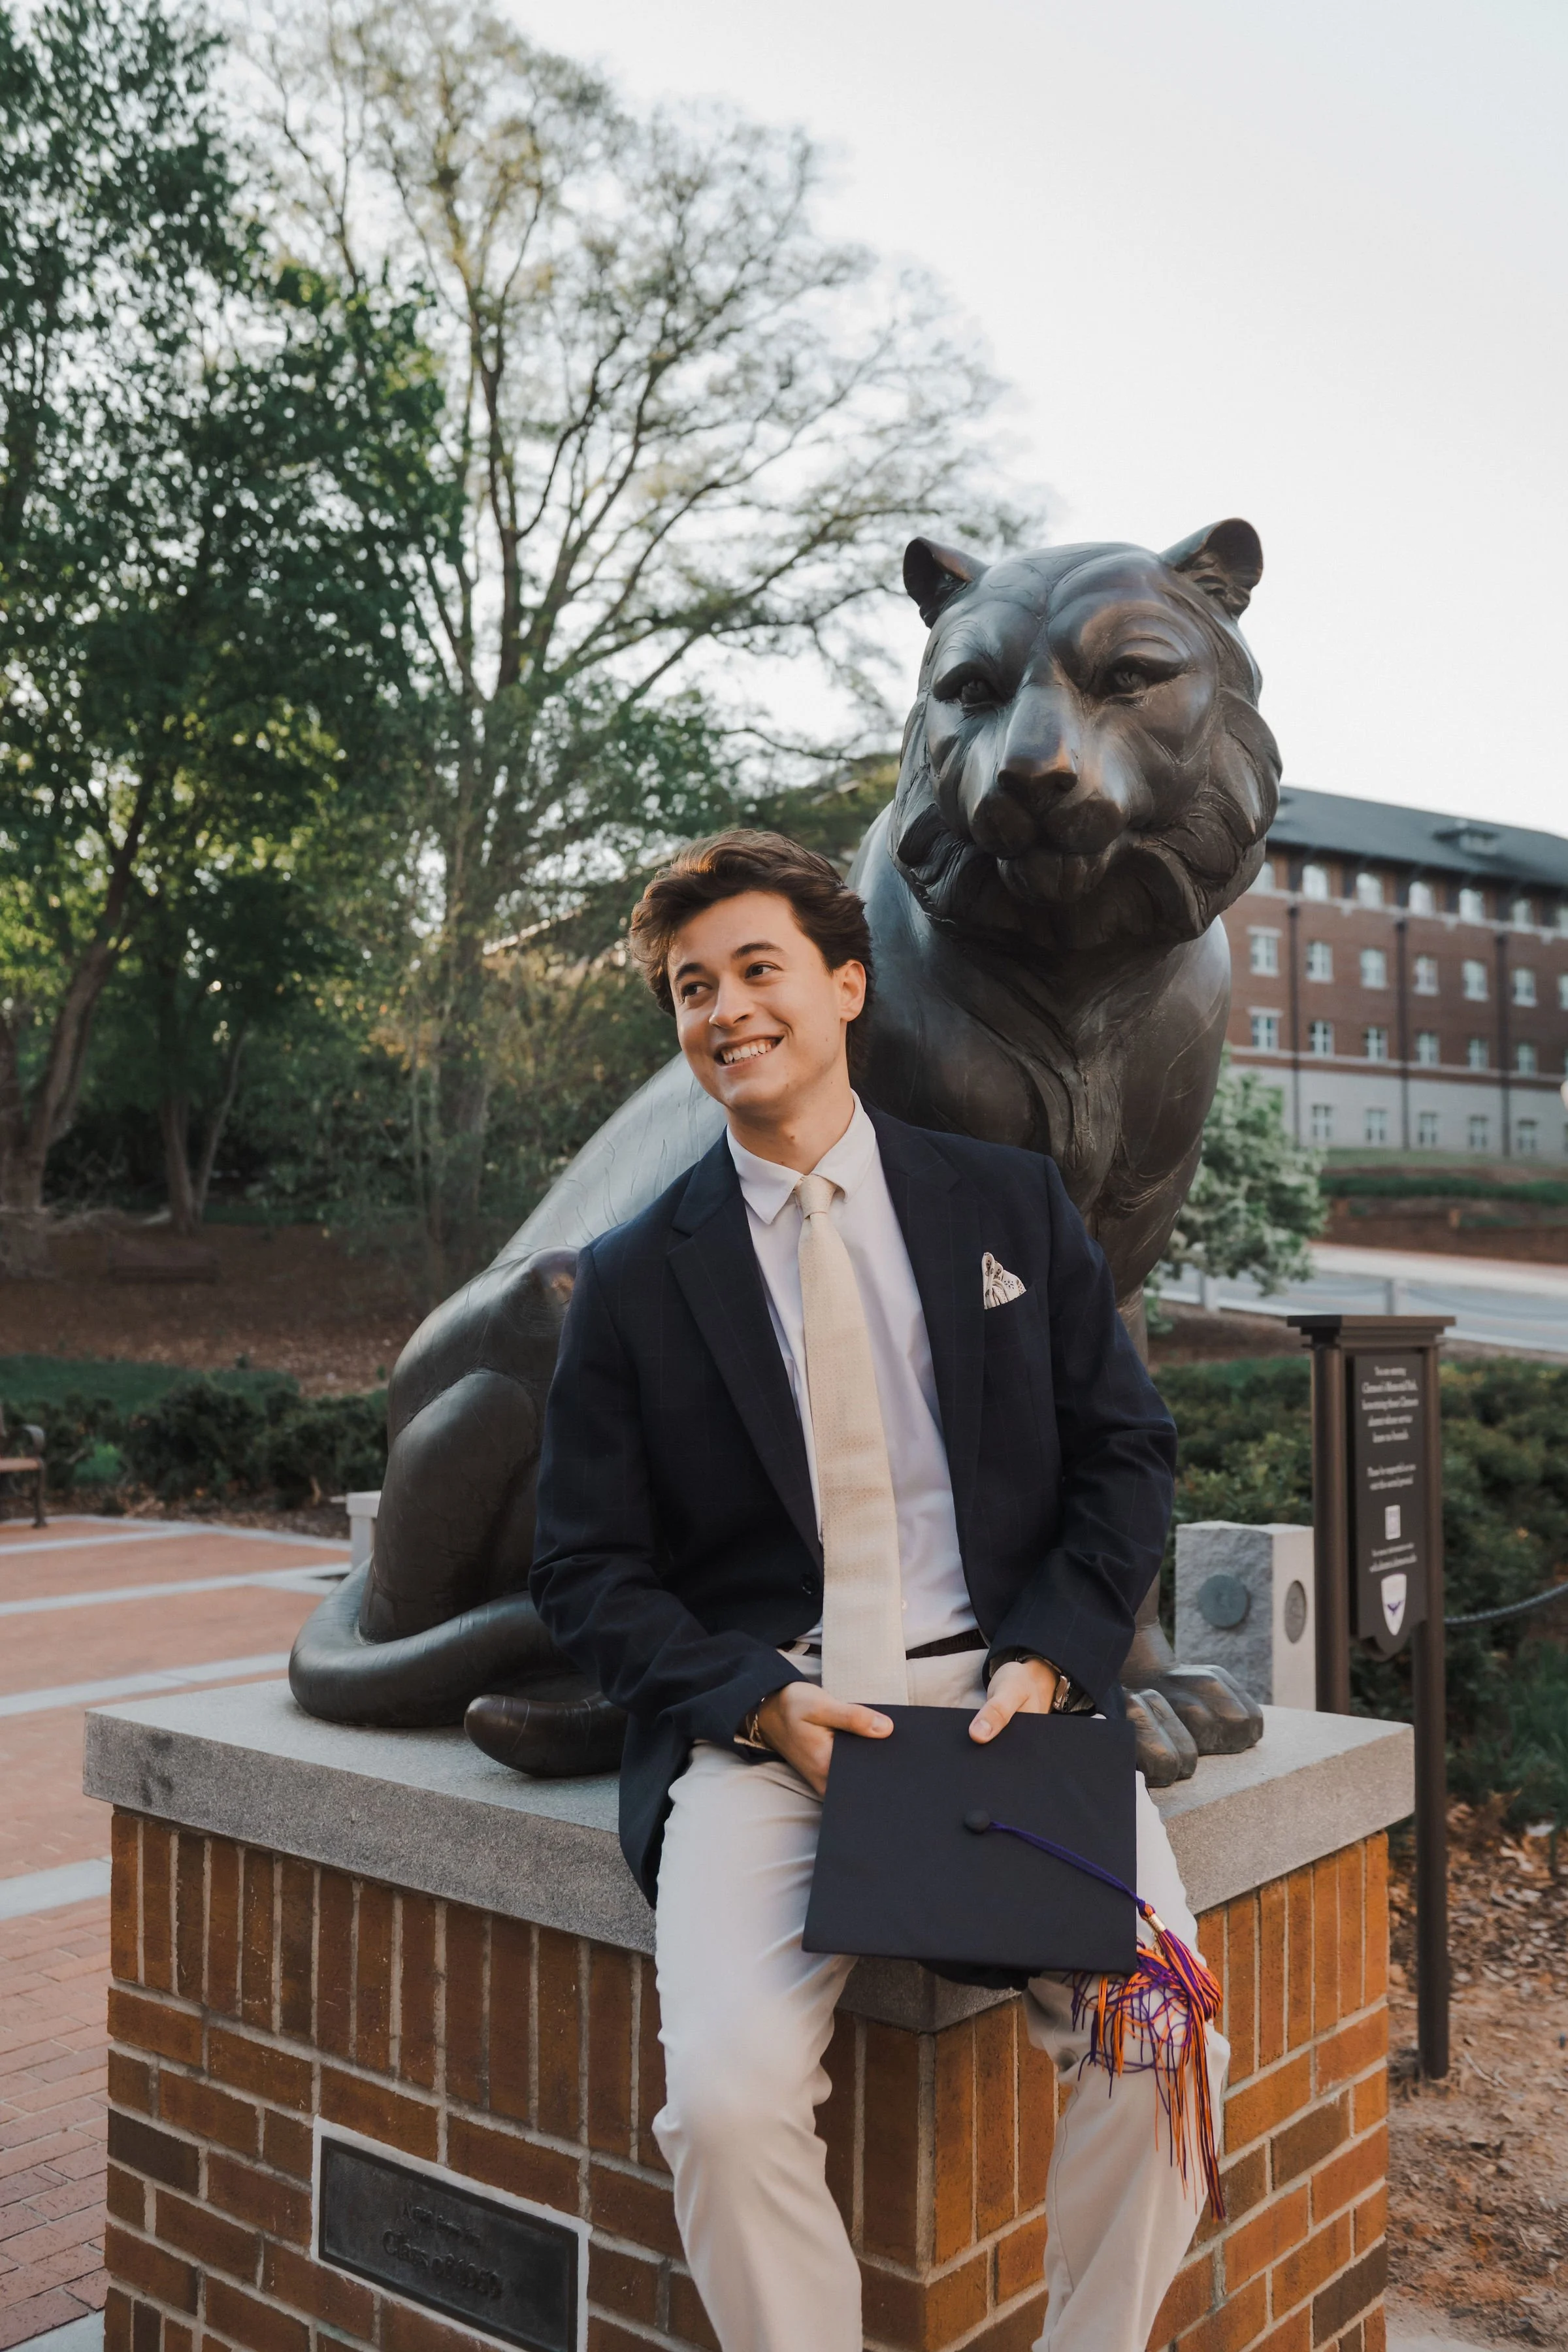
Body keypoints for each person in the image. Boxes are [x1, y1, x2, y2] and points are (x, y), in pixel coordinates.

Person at [530, 829, 1227, 2351]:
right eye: (689, 988)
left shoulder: (1010, 1204)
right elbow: (582, 1569)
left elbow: (1125, 1457)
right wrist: (764, 1707)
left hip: (1007, 1710)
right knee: (721, 2105)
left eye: (758, 969)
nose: (725, 1010)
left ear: (848, 984)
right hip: (772, 1730)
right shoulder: (633, 1276)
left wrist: (1047, 1663)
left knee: (1161, 2042)